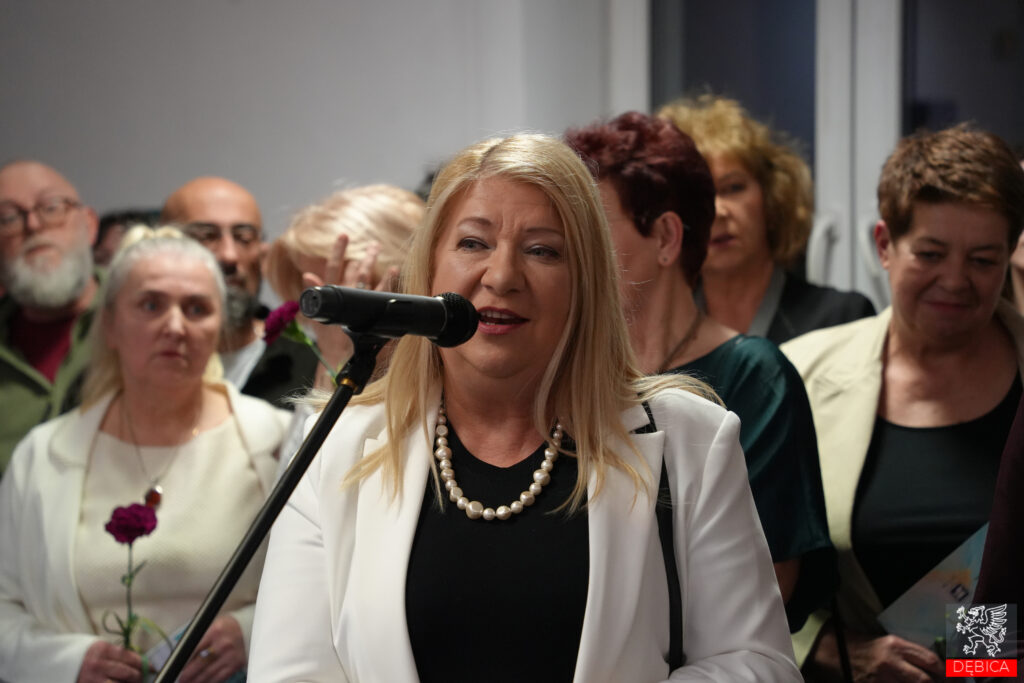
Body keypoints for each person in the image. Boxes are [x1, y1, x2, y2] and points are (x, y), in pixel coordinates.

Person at [248, 133, 800, 682]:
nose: (502, 276)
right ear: (428, 269)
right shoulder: (336, 447)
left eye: (543, 250)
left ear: (585, 284)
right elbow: (289, 675)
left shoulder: (689, 439)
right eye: (473, 243)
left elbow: (758, 663)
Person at [565, 111, 835, 633]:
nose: (571, 251)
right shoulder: (569, 369)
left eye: (590, 228)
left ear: (666, 238)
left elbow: (769, 586)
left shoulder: (754, 376)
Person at [782, 124, 1024, 681]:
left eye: (983, 260)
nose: (955, 280)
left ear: (1010, 254)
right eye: (931, 254)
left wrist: (976, 667)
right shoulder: (799, 375)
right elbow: (734, 575)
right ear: (884, 245)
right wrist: (843, 652)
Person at [0, 226, 290, 683]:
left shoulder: (276, 439)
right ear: (110, 325)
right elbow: (4, 605)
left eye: (197, 309)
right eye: (151, 305)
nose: (175, 327)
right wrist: (66, 663)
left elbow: (326, 581)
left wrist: (251, 632)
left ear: (219, 327)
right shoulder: (44, 454)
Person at [658, 94, 875, 344]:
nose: (717, 211)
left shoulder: (841, 319)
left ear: (772, 197)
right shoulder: (660, 331)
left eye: (734, 188)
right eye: (698, 195)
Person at [265, 184, 424, 465]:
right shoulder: (326, 356)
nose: (321, 318)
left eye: (340, 288)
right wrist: (336, 360)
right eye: (315, 295)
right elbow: (294, 485)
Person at [161, 176, 317, 409]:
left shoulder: (307, 368)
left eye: (244, 238)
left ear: (262, 254)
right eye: (206, 236)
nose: (229, 255)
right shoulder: (136, 364)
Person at [0, 160, 100, 473]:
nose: (33, 225)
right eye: (8, 218)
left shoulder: (150, 321)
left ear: (90, 225)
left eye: (52, 207)